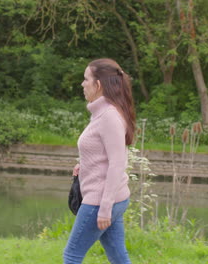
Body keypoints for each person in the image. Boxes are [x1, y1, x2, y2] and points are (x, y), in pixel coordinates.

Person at [63, 58, 136, 264]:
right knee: (118, 257)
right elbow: (102, 152)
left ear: (98, 84)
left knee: (72, 256)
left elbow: (117, 162)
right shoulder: (101, 112)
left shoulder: (109, 116)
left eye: (86, 79)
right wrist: (84, 164)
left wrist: (104, 208)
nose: (82, 84)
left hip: (101, 201)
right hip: (111, 199)